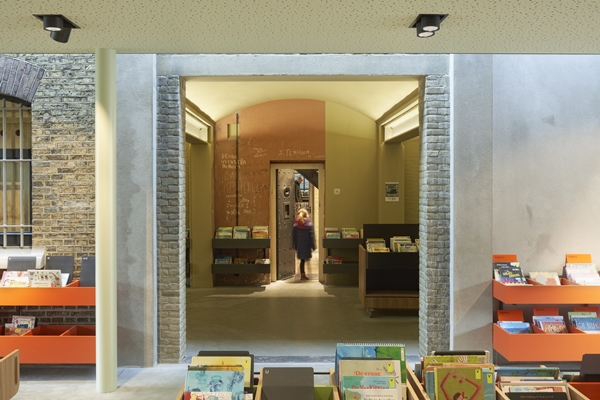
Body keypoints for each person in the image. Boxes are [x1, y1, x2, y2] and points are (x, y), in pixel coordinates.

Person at [292, 208, 315, 281]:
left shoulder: (296, 225)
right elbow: (311, 236)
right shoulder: (309, 224)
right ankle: (308, 274)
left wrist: (294, 245)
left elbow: (294, 236)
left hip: (300, 245)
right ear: (307, 215)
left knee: (302, 260)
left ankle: (302, 275)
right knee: (307, 260)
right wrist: (313, 245)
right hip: (307, 245)